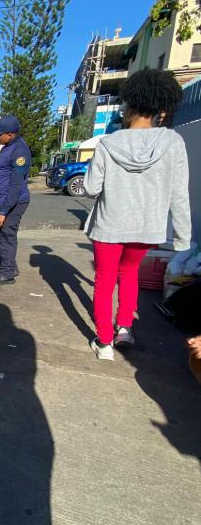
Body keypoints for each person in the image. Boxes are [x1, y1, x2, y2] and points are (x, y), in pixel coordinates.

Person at [83, 68, 191, 361]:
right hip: (146, 228)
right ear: (160, 108)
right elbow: (180, 193)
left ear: (130, 105)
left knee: (105, 281)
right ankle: (124, 329)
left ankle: (104, 343)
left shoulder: (109, 143)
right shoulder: (173, 143)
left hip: (109, 225)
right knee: (129, 275)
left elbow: (91, 188)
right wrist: (183, 238)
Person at [0, 114, 31, 284]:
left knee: (6, 235)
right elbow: (3, 178)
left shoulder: (20, 151)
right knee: (1, 234)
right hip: (3, 199)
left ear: (10, 134)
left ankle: (8, 273)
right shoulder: (8, 147)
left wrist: (3, 212)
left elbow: (16, 185)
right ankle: (10, 265)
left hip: (14, 202)